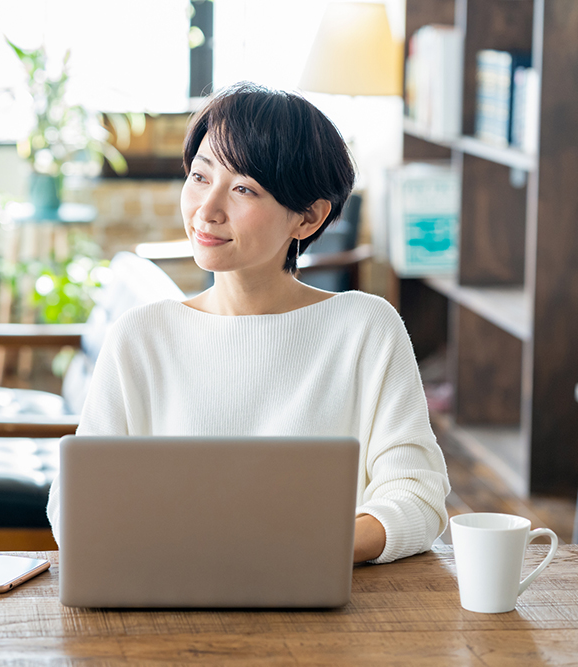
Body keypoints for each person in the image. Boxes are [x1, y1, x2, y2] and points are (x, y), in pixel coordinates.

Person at [46, 82, 450, 564]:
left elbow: (417, 497)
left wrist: (298, 551)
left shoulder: (366, 329)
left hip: (325, 613)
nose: (207, 210)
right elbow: (75, 505)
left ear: (308, 218)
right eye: (200, 177)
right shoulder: (141, 336)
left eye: (243, 189)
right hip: (168, 605)